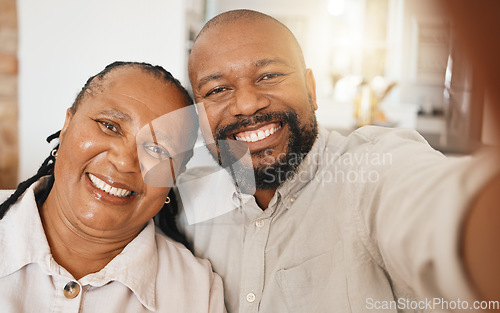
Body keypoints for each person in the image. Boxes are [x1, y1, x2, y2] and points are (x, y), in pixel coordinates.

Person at [178, 8, 500, 313]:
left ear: (311, 89)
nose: (247, 105)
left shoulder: (371, 170)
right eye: (218, 89)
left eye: (269, 75)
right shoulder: (184, 205)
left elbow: (442, 215)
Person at [0, 61, 226, 313]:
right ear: (66, 126)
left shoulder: (197, 293)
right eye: (109, 126)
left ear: (175, 174)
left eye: (157, 149)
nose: (123, 161)